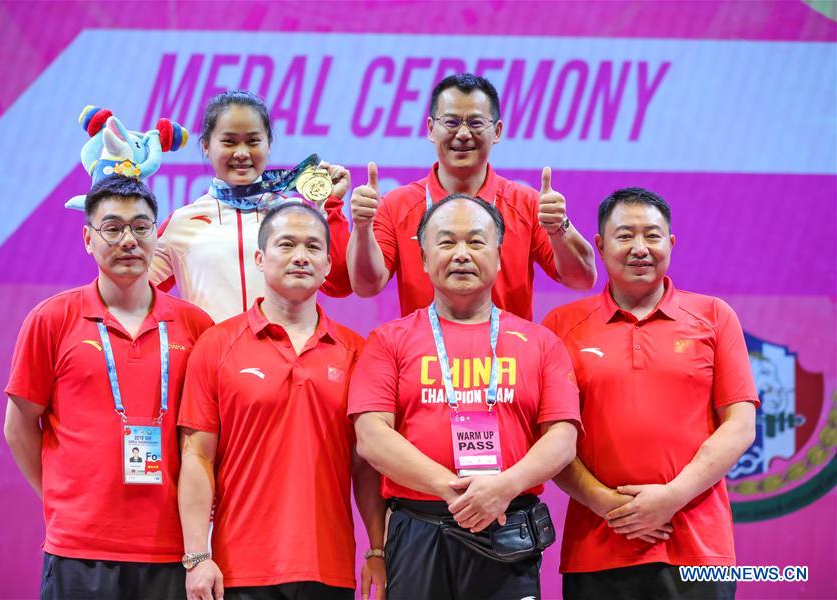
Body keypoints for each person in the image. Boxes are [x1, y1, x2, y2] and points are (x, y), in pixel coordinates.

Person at [349, 194, 582, 600]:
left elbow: (562, 439)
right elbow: (371, 436)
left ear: (499, 254)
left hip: (508, 523)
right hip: (418, 528)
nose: (461, 254)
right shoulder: (388, 341)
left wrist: (502, 488)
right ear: (422, 259)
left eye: (476, 242)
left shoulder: (541, 342)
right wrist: (453, 489)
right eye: (446, 242)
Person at [4, 175, 214, 600]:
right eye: (112, 228)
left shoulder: (195, 326)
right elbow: (19, 426)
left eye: (140, 227)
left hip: (170, 550)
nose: (129, 240)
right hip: (78, 549)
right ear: (87, 238)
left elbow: (205, 439)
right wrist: (63, 499)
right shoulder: (52, 319)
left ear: (156, 235)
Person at [543, 188, 759, 600]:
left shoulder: (714, 316)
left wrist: (671, 497)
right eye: (625, 236)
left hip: (699, 551)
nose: (640, 248)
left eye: (652, 236)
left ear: (671, 244)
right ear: (601, 246)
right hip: (597, 549)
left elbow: (740, 426)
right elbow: (550, 439)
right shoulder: (561, 325)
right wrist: (608, 504)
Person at [178, 202, 386, 600]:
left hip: (330, 569)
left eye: (312, 247)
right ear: (259, 258)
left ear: (328, 264)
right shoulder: (216, 345)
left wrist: (377, 548)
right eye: (286, 244)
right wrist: (196, 555)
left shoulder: (356, 351)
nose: (300, 256)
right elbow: (197, 456)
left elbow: (365, 466)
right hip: (238, 570)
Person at [347, 73, 596, 319]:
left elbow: (582, 279)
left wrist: (560, 227)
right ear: (431, 129)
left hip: (508, 357)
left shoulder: (527, 203)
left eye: (476, 123)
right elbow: (366, 286)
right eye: (452, 122)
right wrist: (361, 227)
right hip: (424, 357)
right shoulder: (397, 205)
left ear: (497, 131)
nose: (464, 134)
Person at [151, 90, 352, 323]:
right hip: (211, 357)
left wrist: (330, 207)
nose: (242, 153)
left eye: (253, 141)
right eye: (229, 141)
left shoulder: (298, 215)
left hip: (285, 357)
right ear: (206, 146)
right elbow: (132, 292)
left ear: (269, 144)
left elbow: (340, 284)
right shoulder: (182, 222)